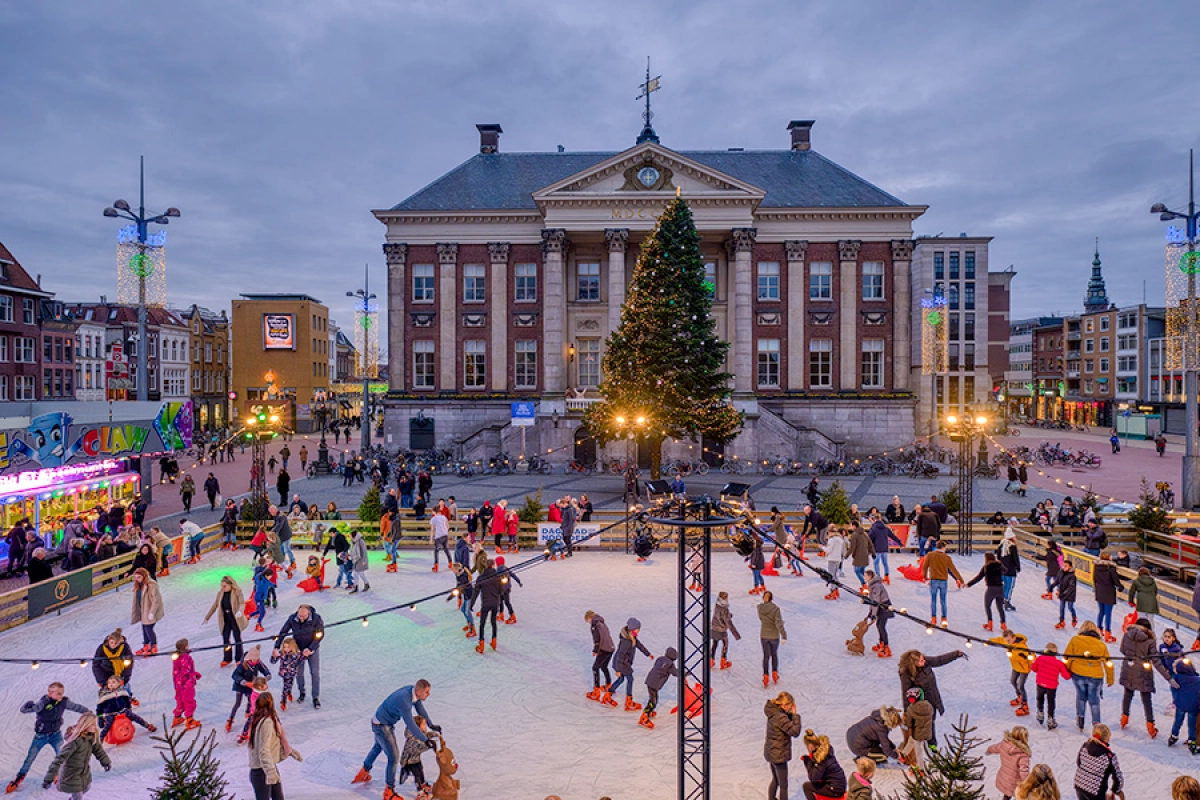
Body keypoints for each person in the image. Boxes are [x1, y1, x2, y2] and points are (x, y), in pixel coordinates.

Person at [352, 681, 439, 798]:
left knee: (378, 747)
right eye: (427, 692)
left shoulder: (412, 692)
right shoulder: (405, 701)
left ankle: (364, 772)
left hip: (378, 721)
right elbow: (411, 725)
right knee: (393, 758)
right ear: (419, 692)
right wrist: (425, 740)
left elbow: (421, 710)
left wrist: (431, 724)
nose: (429, 694)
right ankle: (389, 791)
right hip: (382, 726)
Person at [7, 682, 90, 794]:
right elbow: (27, 710)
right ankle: (20, 776)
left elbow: (76, 707)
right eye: (58, 693)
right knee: (30, 758)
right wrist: (27, 705)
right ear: (50, 693)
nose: (61, 696)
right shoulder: (43, 703)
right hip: (40, 736)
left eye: (62, 693)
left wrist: (87, 712)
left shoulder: (63, 702)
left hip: (55, 735)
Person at [898, 649, 965, 745]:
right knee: (923, 723)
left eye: (923, 659)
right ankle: (923, 743)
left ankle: (931, 743)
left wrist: (955, 654)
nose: (924, 661)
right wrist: (906, 711)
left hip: (933, 698)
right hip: (922, 703)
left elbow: (938, 660)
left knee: (931, 721)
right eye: (921, 661)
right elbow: (906, 692)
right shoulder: (906, 673)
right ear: (914, 663)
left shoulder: (925, 662)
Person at [1118, 616, 1171, 738]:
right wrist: (1168, 677)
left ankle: (1124, 718)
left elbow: (1122, 650)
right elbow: (1156, 661)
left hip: (1129, 668)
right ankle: (1150, 726)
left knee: (1128, 694)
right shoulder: (1150, 641)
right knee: (1146, 699)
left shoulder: (1127, 635)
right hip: (1143, 671)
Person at [40, 713, 110, 798]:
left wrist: (105, 762)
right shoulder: (75, 741)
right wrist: (48, 779)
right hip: (70, 774)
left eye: (94, 724)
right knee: (78, 796)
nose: (94, 727)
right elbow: (59, 759)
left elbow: (98, 750)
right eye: (91, 724)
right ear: (85, 724)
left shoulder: (91, 737)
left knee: (86, 787)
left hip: (83, 772)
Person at [248, 692, 300, 800]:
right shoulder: (266, 723)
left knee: (278, 797)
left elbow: (272, 745)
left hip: (267, 768)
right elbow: (263, 750)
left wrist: (288, 750)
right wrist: (271, 773)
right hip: (262, 771)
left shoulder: (263, 720)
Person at [272, 605, 324, 708]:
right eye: (300, 615)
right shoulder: (293, 618)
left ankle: (315, 697)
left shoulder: (316, 618)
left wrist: (310, 649)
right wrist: (277, 647)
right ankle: (302, 692)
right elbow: (283, 632)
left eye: (304, 616)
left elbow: (320, 634)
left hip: (312, 650)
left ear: (308, 613)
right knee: (299, 673)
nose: (301, 618)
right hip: (298, 650)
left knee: (315, 673)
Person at [1065, 621, 1114, 730]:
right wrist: (1110, 678)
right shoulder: (1101, 645)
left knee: (1081, 696)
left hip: (1078, 673)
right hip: (1095, 676)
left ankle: (1080, 719)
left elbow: (1067, 656)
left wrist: (1067, 669)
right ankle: (1096, 724)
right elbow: (1108, 663)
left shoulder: (1075, 640)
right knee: (1094, 700)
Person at [764, 691, 803, 800]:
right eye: (790, 707)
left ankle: (771, 798)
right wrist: (795, 716)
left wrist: (790, 715)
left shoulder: (774, 712)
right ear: (785, 705)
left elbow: (785, 722)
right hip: (778, 755)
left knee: (775, 779)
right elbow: (795, 732)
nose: (791, 709)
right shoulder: (780, 717)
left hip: (771, 752)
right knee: (783, 785)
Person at [609, 617, 652, 711]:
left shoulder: (632, 637)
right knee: (630, 679)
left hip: (622, 663)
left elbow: (639, 645)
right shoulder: (626, 641)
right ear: (632, 629)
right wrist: (618, 670)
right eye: (638, 629)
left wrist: (648, 654)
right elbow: (620, 655)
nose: (639, 630)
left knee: (621, 679)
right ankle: (628, 701)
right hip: (622, 664)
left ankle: (608, 694)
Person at [204, 575, 247, 666]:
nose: (222, 588)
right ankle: (227, 658)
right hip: (225, 620)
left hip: (235, 619)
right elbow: (215, 605)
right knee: (225, 638)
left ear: (230, 585)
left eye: (224, 586)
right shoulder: (220, 593)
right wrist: (207, 617)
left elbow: (242, 603)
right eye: (221, 586)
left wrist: (240, 611)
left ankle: (239, 658)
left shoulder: (237, 592)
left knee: (237, 638)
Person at [1072, 723, 1123, 800]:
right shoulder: (1109, 757)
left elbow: (1079, 763)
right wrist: (1116, 790)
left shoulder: (1085, 746)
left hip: (1079, 785)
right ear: (1107, 738)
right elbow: (1118, 779)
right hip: (1095, 792)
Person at [95, 675, 154, 739]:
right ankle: (100, 738)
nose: (111, 684)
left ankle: (147, 725)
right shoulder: (104, 694)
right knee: (108, 725)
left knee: (135, 717)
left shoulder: (122, 692)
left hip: (122, 710)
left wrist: (129, 709)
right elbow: (99, 708)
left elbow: (127, 701)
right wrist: (100, 718)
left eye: (113, 682)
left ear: (119, 684)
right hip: (110, 713)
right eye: (109, 682)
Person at [227, 646, 271, 732]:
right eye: (255, 660)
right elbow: (235, 675)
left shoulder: (258, 663)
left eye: (257, 659)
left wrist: (267, 677)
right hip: (240, 685)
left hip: (251, 685)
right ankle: (230, 719)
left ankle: (248, 712)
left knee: (251, 700)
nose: (256, 661)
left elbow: (265, 670)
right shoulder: (242, 665)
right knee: (238, 703)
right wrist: (244, 682)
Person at [921, 539, 964, 627]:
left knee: (933, 600)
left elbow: (924, 567)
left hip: (933, 580)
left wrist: (925, 578)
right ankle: (944, 618)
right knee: (943, 601)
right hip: (943, 581)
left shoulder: (930, 555)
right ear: (943, 547)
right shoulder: (947, 558)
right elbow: (953, 570)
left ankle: (933, 618)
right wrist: (961, 580)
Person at [1031, 642, 1071, 730]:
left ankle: (1040, 713)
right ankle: (1050, 718)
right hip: (1051, 686)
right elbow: (1066, 676)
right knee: (1051, 702)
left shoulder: (1040, 658)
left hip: (1040, 683)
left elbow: (1033, 668)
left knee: (1040, 698)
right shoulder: (1058, 663)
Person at [986, 726, 1031, 800]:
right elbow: (1024, 771)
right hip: (1015, 782)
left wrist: (989, 750)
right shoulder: (1023, 754)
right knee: (1019, 796)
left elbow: (995, 747)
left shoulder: (1005, 744)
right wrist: (1027, 784)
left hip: (1004, 777)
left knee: (1007, 793)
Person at [799, 729, 846, 800]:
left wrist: (807, 761)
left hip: (835, 789)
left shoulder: (821, 758)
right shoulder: (825, 751)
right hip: (839, 784)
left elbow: (813, 778)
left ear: (810, 746)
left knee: (806, 786)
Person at [967, 551, 1007, 632]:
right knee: (1000, 607)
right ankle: (1003, 624)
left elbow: (978, 578)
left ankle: (990, 623)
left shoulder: (986, 567)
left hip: (991, 589)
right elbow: (1005, 570)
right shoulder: (999, 564)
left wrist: (969, 584)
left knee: (987, 606)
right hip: (1000, 588)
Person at [638, 648, 678, 729]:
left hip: (650, 680)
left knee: (653, 698)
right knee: (653, 701)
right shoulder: (670, 664)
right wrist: (685, 673)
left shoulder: (660, 659)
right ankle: (644, 717)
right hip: (654, 683)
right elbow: (676, 673)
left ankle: (649, 712)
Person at [129, 567, 165, 656]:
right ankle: (146, 645)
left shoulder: (152, 585)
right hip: (143, 610)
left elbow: (156, 600)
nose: (137, 579)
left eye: (139, 577)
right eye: (135, 577)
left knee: (148, 629)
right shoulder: (138, 585)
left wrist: (152, 612)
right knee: (144, 628)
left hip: (150, 611)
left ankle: (153, 646)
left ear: (144, 576)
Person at [471, 557, 503, 654]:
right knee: (493, 622)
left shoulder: (480, 578)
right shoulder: (498, 577)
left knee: (482, 624)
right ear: (493, 565)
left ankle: (481, 644)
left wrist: (471, 604)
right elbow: (501, 591)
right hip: (494, 603)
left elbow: (475, 592)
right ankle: (494, 641)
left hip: (485, 603)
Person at [584, 610, 616, 703]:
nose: (589, 623)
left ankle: (596, 690)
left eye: (588, 621)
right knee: (603, 666)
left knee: (595, 668)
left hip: (604, 649)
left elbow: (597, 639)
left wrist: (595, 650)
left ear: (589, 618)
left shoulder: (594, 625)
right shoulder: (601, 622)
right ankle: (609, 685)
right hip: (611, 647)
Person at [1168, 660, 1200, 751]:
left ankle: (1174, 736)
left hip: (1180, 705)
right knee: (1192, 725)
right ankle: (1192, 741)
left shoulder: (1176, 678)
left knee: (1178, 722)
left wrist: (1176, 700)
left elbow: (1173, 689)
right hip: (1193, 707)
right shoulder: (1197, 680)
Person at [1091, 551, 1123, 643]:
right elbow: (1116, 581)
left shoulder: (1096, 567)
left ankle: (1099, 629)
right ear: (1109, 558)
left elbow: (1094, 578)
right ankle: (1108, 632)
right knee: (1108, 613)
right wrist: (1121, 587)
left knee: (1101, 611)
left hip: (1099, 591)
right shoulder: (1111, 568)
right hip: (1109, 592)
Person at [171, 638, 201, 730]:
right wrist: (195, 674)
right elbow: (186, 671)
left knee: (180, 700)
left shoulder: (176, 657)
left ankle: (177, 717)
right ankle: (189, 719)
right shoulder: (186, 658)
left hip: (177, 683)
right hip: (186, 683)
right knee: (189, 700)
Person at [758, 590, 786, 687]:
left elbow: (763, 619)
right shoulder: (775, 609)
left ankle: (766, 675)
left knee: (766, 656)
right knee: (774, 655)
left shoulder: (760, 608)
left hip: (764, 635)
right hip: (774, 635)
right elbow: (777, 623)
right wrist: (784, 634)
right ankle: (775, 673)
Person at [866, 515, 902, 584]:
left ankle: (878, 577)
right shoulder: (886, 528)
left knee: (876, 563)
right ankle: (887, 577)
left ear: (874, 520)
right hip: (885, 548)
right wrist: (899, 542)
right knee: (885, 563)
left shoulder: (873, 529)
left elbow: (869, 539)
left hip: (876, 549)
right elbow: (893, 536)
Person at [865, 570, 893, 658]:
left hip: (884, 607)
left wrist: (873, 614)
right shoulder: (872, 585)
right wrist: (870, 613)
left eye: (865, 576)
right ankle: (881, 643)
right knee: (878, 625)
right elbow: (872, 601)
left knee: (881, 626)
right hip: (880, 607)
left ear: (870, 576)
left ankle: (886, 647)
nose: (864, 577)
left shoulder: (876, 586)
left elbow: (875, 601)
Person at [711, 591, 741, 670]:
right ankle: (723, 661)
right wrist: (736, 635)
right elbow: (727, 622)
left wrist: (729, 615)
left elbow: (720, 615)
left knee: (715, 644)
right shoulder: (725, 609)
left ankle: (711, 660)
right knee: (725, 644)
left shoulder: (717, 605)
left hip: (714, 627)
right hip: (721, 630)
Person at [998, 527, 1021, 611]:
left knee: (1004, 585)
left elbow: (998, 556)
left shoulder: (1001, 544)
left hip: (1002, 569)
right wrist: (1018, 567)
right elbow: (1015, 558)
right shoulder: (1012, 546)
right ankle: (1007, 601)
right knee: (1010, 586)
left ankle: (1002, 599)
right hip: (1010, 570)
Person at [1055, 561, 1078, 629]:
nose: (1064, 567)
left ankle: (1074, 617)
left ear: (1070, 567)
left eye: (1066, 566)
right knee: (1062, 607)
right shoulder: (1061, 572)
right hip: (1062, 593)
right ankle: (1061, 621)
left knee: (1070, 607)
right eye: (1063, 565)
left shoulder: (1072, 576)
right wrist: (1059, 590)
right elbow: (1059, 581)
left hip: (1070, 594)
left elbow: (1071, 587)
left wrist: (1063, 593)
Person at [348, 529, 370, 594]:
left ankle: (366, 584)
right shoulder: (353, 541)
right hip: (356, 560)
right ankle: (356, 587)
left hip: (361, 560)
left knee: (361, 574)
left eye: (350, 535)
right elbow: (353, 550)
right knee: (355, 574)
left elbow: (364, 552)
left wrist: (364, 561)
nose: (349, 536)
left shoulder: (361, 541)